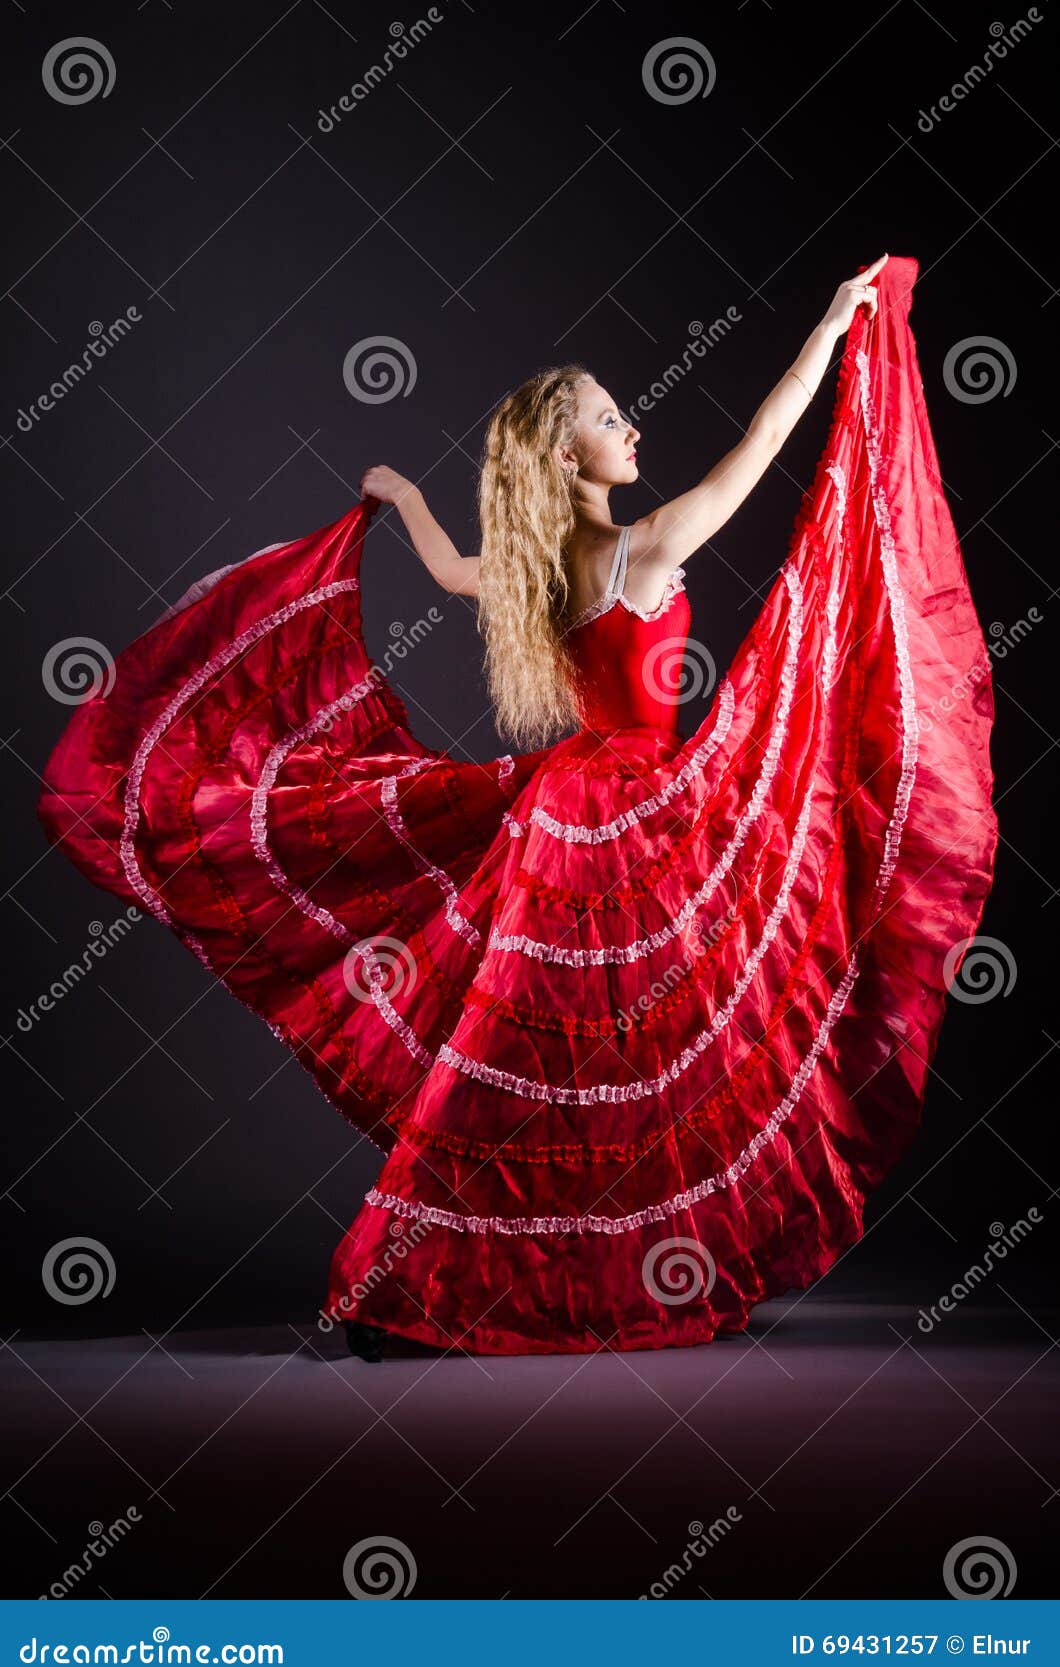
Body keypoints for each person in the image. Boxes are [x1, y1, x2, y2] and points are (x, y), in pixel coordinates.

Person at [37, 254, 998, 1360]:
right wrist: (829, 333)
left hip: (558, 812)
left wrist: (399, 501)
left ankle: (458, 1282)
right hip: (631, 817)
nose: (630, 427)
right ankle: (537, 1279)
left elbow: (450, 572)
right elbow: (763, 444)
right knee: (628, 1052)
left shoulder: (540, 568)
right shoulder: (648, 546)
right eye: (606, 418)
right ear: (564, 453)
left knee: (547, 1055)